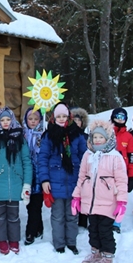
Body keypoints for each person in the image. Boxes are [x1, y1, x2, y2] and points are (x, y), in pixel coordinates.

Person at [72, 120, 128, 263]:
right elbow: (82, 177)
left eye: (100, 137)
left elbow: (122, 180)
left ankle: (108, 255)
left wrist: (122, 202)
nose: (97, 140)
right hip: (90, 202)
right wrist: (76, 196)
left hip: (108, 202)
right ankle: (96, 253)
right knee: (93, 229)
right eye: (95, 137)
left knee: (105, 230)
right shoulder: (87, 155)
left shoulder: (115, 157)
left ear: (107, 138)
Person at [0, 107, 32, 255]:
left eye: (8, 120)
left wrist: (26, 184)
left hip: (15, 184)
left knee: (13, 216)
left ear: (12, 120)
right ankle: (1, 239)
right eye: (2, 120)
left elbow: (26, 162)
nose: (5, 122)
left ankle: (14, 239)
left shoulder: (20, 139)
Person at [38, 103, 86, 254]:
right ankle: (59, 244)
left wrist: (84, 178)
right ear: (54, 117)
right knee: (58, 215)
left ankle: (71, 242)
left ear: (69, 117)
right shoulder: (48, 135)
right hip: (55, 182)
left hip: (73, 182)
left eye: (64, 116)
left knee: (72, 215)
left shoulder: (77, 134)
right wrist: (44, 180)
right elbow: (43, 158)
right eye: (58, 116)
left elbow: (84, 156)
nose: (61, 119)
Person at [110, 107, 133, 233]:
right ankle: (107, 219)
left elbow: (132, 157)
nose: (119, 120)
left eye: (122, 118)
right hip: (108, 172)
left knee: (120, 199)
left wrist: (132, 176)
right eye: (117, 117)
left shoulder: (128, 136)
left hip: (122, 174)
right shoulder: (107, 132)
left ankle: (117, 223)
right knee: (108, 198)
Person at [22, 107, 45, 245]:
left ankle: (30, 232)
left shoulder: (43, 134)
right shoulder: (22, 134)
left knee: (36, 204)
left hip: (39, 174)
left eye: (36, 119)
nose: (33, 121)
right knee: (29, 205)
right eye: (30, 119)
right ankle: (38, 227)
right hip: (26, 174)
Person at [69, 107, 90, 228]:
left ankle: (83, 219)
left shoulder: (87, 136)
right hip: (73, 168)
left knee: (84, 195)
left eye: (79, 120)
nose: (77, 123)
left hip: (84, 169)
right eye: (74, 120)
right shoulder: (69, 135)